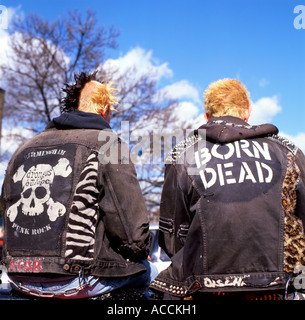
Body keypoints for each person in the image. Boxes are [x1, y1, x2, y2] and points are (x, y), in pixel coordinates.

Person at [1, 72, 158, 299]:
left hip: (18, 277)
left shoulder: (23, 149)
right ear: (105, 111)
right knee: (152, 272)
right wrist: (142, 251)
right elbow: (133, 236)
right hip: (76, 278)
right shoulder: (108, 144)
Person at [150, 78, 305, 300]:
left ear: (206, 117)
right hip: (280, 286)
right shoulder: (289, 151)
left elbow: (172, 236)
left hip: (206, 287)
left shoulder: (183, 155)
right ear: (247, 112)